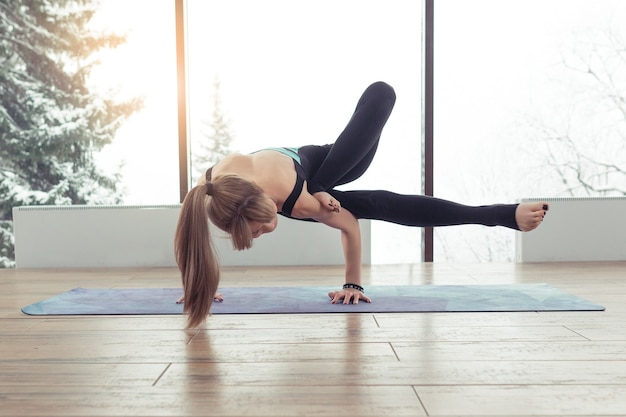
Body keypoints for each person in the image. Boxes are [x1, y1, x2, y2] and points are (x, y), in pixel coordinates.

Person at [174, 81, 549, 329]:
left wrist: (352, 283)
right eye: (253, 234)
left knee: (382, 93)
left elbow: (351, 226)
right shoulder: (210, 193)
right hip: (303, 181)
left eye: (265, 223)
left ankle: (323, 182)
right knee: (378, 203)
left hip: (341, 162)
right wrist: (200, 286)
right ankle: (504, 214)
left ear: (270, 201)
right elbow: (191, 237)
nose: (264, 232)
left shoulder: (297, 201)